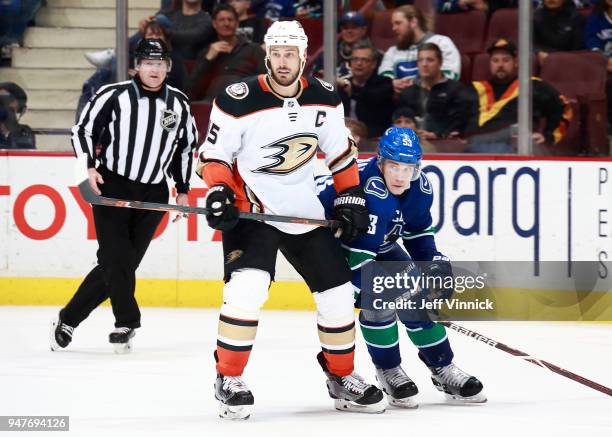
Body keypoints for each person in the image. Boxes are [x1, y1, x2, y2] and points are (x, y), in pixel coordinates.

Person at [196, 20, 384, 419]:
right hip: (252, 210)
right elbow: (214, 157)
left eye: (290, 54)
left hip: (303, 210)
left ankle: (341, 375)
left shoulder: (326, 97)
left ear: (303, 57)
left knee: (336, 296)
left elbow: (340, 154)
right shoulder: (237, 98)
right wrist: (218, 191)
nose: (283, 62)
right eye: (276, 54)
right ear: (268, 55)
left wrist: (351, 194)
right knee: (248, 288)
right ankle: (228, 377)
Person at [316, 127, 486, 407]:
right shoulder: (367, 189)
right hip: (330, 248)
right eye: (394, 166)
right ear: (380, 162)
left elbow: (418, 234)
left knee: (418, 300)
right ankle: (388, 370)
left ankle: (443, 367)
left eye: (408, 168)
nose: (400, 175)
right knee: (379, 300)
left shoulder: (420, 188)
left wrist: (432, 263)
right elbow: (361, 261)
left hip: (378, 245)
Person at [51, 39, 197, 354]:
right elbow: (83, 130)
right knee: (117, 259)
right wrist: (88, 167)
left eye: (160, 63)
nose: (155, 69)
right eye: (148, 63)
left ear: (168, 67)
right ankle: (127, 322)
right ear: (136, 66)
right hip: (112, 185)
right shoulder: (113, 95)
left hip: (154, 192)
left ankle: (68, 318)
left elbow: (185, 147)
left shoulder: (179, 104)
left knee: (120, 264)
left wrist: (183, 189)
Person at [464, 39, 572, 153]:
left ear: (516, 62)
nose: (500, 65)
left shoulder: (533, 85)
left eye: (506, 60)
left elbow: (564, 107)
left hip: (513, 147)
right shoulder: (475, 88)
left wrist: (548, 136)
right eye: (495, 60)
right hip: (472, 148)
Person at [188, 4, 266, 101]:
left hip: (245, 101)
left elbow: (265, 80)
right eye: (221, 20)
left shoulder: (254, 49)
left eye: (230, 20)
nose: (226, 23)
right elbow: (191, 90)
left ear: (237, 23)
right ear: (214, 24)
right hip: (211, 104)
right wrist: (207, 59)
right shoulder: (206, 53)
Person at [378, 5, 461, 96]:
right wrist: (392, 83)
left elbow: (451, 75)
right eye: (393, 24)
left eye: (398, 23)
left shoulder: (442, 43)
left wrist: (417, 84)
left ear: (413, 22)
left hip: (434, 100)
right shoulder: (392, 51)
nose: (394, 28)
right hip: (400, 102)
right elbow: (383, 75)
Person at [397, 42, 470, 140]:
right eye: (420, 60)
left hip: (444, 145)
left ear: (440, 63)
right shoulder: (407, 93)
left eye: (430, 60)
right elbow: (400, 120)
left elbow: (459, 122)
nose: (424, 64)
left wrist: (437, 135)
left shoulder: (456, 90)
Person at [336, 41, 394, 138]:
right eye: (355, 59)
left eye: (364, 60)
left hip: (373, 140)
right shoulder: (342, 86)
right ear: (350, 63)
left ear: (374, 64)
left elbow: (371, 97)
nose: (359, 63)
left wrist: (349, 87)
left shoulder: (384, 83)